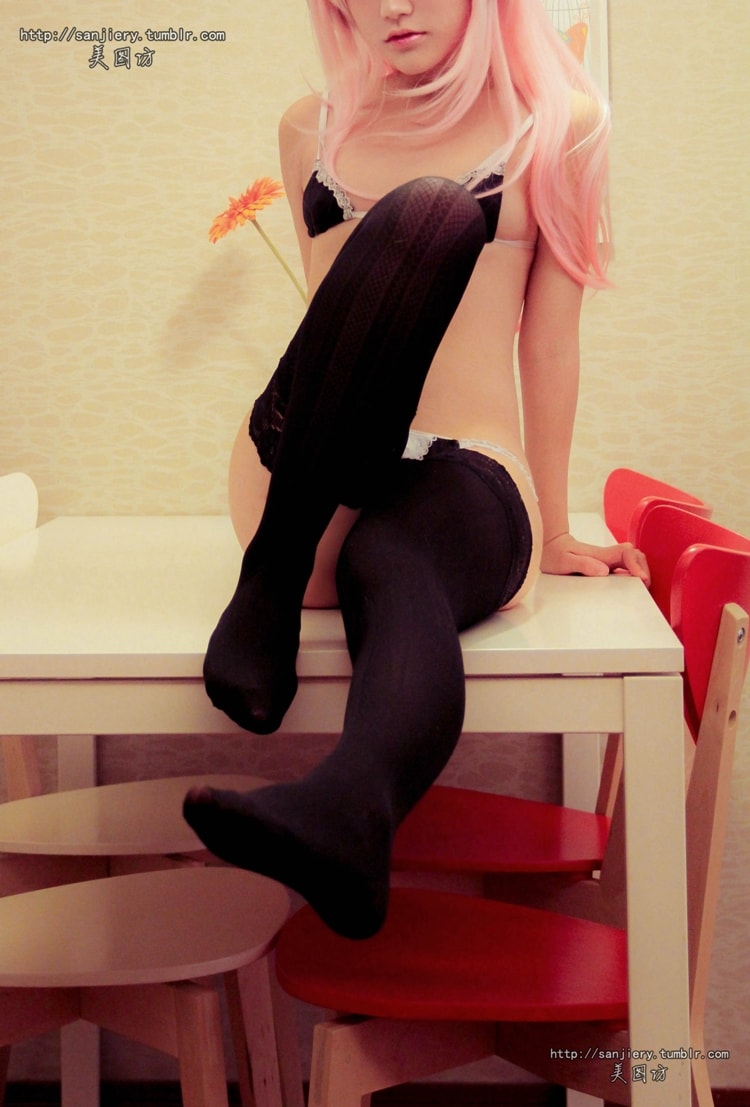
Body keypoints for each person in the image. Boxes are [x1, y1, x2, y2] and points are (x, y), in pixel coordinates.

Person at [184, 0, 649, 940]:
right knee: (424, 216)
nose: (390, 6)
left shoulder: (560, 125)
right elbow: (327, 325)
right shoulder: (310, 127)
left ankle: (348, 817)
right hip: (306, 484)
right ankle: (269, 585)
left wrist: (556, 527)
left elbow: (550, 345)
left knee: (395, 558)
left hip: (462, 481)